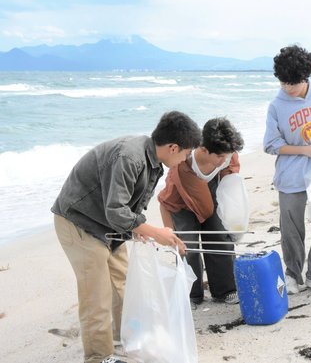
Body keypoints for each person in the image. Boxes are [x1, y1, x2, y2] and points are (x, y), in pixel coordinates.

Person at [51, 111, 201, 363]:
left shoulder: (154, 161)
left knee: (123, 284)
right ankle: (99, 357)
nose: (186, 159)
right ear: (173, 148)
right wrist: (153, 232)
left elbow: (133, 208)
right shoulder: (130, 157)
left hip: (108, 225)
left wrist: (142, 231)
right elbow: (116, 210)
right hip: (79, 222)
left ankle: (125, 338)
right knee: (96, 296)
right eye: (186, 153)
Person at [263, 45, 311, 295]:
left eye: (293, 83)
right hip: (290, 174)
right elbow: (271, 144)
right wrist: (305, 151)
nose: (287, 88)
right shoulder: (276, 105)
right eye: (283, 82)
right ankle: (292, 274)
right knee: (291, 227)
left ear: (306, 76)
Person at [158, 117, 244, 307]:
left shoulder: (227, 152)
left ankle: (225, 290)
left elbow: (231, 178)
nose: (225, 159)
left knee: (220, 238)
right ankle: (191, 293)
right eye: (220, 156)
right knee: (187, 246)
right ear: (204, 150)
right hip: (182, 203)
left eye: (228, 155)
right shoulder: (182, 165)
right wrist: (169, 233)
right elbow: (165, 202)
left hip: (212, 193)